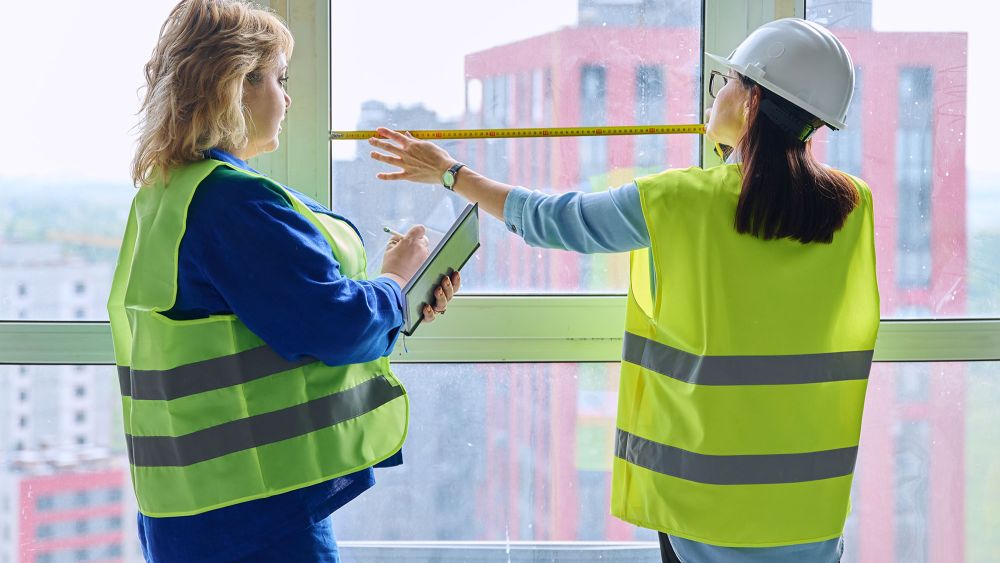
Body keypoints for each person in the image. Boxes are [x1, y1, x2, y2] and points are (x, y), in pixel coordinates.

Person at [369, 18, 877, 563]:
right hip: (810, 515)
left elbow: (552, 221)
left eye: (726, 81)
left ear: (752, 103)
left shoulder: (679, 201)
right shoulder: (854, 206)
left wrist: (451, 173)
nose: (716, 93)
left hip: (702, 511)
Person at [107, 1, 459, 561]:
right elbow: (335, 323)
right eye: (277, 77)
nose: (288, 97)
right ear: (235, 86)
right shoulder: (233, 202)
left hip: (195, 509)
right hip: (255, 516)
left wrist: (394, 299)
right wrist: (396, 281)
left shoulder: (169, 192)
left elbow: (272, 319)